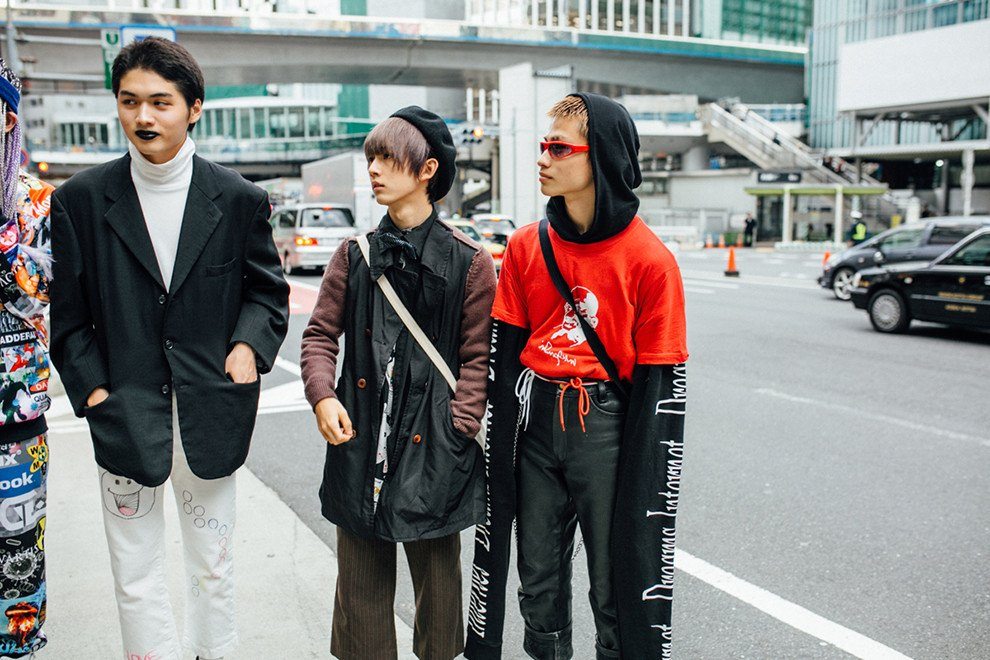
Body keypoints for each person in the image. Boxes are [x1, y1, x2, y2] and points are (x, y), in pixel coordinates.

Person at [50, 38, 288, 660]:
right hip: (124, 411)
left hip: (211, 408)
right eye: (129, 101)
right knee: (134, 573)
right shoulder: (79, 201)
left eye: (161, 102)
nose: (143, 117)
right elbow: (67, 320)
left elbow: (267, 294)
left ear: (194, 108)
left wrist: (246, 349)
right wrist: (95, 392)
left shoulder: (238, 199)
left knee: (214, 564)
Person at [466, 94, 689, 660]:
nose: (543, 158)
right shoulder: (525, 245)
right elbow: (504, 358)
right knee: (537, 580)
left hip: (607, 429)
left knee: (614, 585)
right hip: (536, 422)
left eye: (560, 148)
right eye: (544, 145)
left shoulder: (651, 261)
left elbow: (661, 388)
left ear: (603, 158)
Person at [300, 107, 496, 659]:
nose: (374, 169)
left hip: (435, 446)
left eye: (387, 158)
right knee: (360, 595)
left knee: (439, 595)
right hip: (360, 439)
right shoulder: (355, 254)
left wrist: (459, 426)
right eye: (372, 158)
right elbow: (319, 336)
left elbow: (478, 357)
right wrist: (323, 395)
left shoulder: (469, 262)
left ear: (427, 169)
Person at [0, 56, 53, 659]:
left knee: (17, 554)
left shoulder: (36, 203)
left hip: (14, 418)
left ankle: (17, 646)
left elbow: (41, 292)